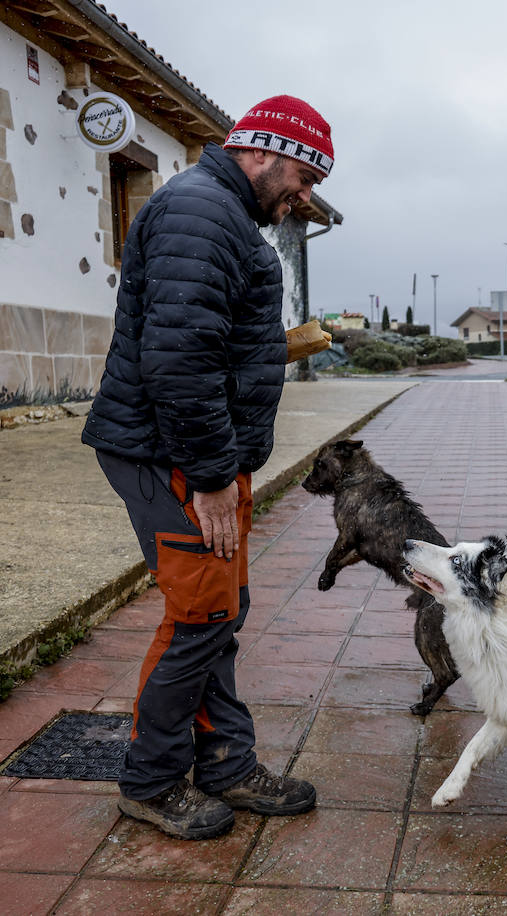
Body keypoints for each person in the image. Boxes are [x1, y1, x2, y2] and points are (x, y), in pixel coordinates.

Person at [81, 95, 334, 840]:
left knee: (223, 613)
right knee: (200, 618)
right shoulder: (202, 212)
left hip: (198, 451)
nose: (305, 196)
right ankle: (152, 782)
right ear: (263, 150)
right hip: (174, 456)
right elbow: (179, 361)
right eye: (304, 174)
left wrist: (271, 349)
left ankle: (225, 761)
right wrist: (216, 476)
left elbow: (203, 335)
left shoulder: (218, 215)